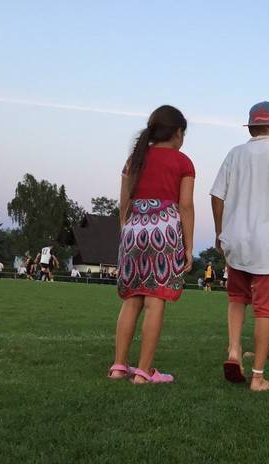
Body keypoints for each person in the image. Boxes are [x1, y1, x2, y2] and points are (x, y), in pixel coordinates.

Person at [211, 101, 269, 391]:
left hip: (235, 241)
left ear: (251, 127)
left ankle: (233, 350)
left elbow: (216, 196)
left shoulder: (235, 154)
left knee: (237, 299)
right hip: (267, 245)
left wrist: (219, 232)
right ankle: (257, 377)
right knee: (264, 310)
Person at [110, 105, 195, 384]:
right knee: (155, 299)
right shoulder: (183, 163)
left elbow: (124, 202)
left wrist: (127, 232)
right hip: (164, 232)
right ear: (178, 133)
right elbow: (185, 205)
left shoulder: (134, 160)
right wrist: (188, 247)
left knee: (132, 298)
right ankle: (145, 372)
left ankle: (119, 367)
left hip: (133, 229)